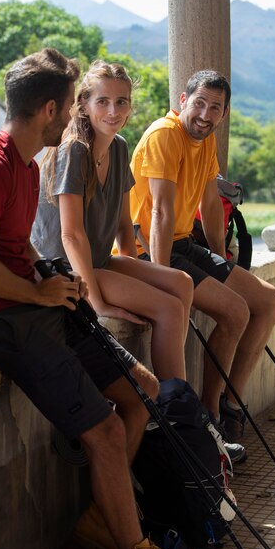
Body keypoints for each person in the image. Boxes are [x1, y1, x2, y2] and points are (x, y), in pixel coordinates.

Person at [0, 49, 214, 549]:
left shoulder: (24, 163)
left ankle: (101, 520)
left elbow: (16, 253)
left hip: (39, 304)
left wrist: (50, 285)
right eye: (71, 105)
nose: (75, 117)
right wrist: (42, 291)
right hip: (3, 323)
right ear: (50, 109)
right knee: (107, 432)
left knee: (143, 391)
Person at [129, 69, 275, 458]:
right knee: (234, 312)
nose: (205, 113)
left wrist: (221, 258)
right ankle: (211, 421)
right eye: (199, 103)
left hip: (185, 242)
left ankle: (232, 406)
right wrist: (161, 276)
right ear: (183, 100)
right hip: (150, 248)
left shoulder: (206, 140)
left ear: (224, 113)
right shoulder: (166, 135)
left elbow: (210, 203)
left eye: (215, 107)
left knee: (268, 301)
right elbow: (160, 211)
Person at [33, 60, 193, 381]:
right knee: (169, 308)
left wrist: (138, 282)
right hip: (64, 267)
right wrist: (97, 302)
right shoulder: (74, 150)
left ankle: (168, 389)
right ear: (84, 103)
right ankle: (175, 409)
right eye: (103, 101)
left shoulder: (118, 148)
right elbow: (71, 236)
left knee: (181, 283)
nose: (113, 110)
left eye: (121, 101)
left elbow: (123, 225)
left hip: (99, 260)